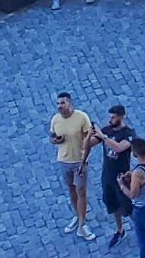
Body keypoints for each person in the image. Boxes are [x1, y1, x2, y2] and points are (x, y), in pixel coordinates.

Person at [48, 93, 97, 241]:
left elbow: (89, 140)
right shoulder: (55, 120)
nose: (59, 106)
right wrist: (56, 140)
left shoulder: (82, 118)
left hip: (79, 162)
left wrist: (84, 161)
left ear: (70, 104)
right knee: (71, 189)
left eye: (62, 103)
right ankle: (78, 216)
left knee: (81, 191)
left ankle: (83, 224)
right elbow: (51, 138)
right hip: (64, 161)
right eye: (58, 104)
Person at [93, 104, 137, 248]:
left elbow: (119, 147)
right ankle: (120, 230)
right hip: (107, 177)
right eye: (110, 117)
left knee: (129, 208)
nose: (110, 119)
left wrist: (103, 136)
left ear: (122, 116)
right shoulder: (106, 130)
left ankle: (141, 230)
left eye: (113, 117)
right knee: (112, 206)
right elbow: (90, 143)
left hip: (123, 178)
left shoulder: (128, 134)